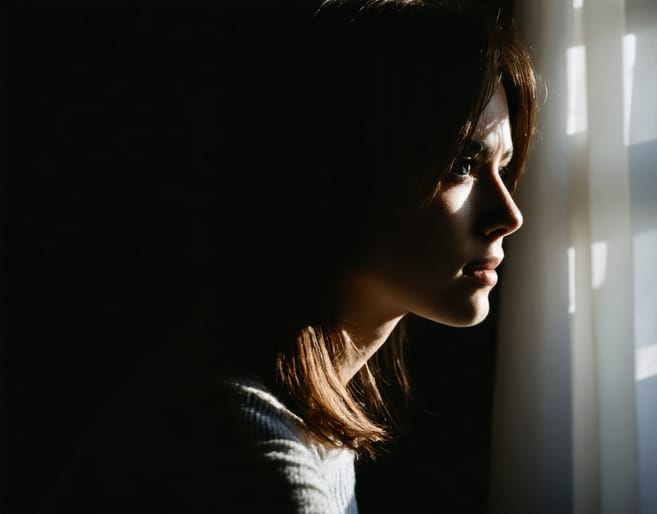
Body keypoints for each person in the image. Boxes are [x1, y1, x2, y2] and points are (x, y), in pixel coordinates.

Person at [40, 1, 536, 512]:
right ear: (351, 174)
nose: (509, 214)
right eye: (462, 164)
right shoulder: (262, 466)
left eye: (503, 165)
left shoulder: (257, 382)